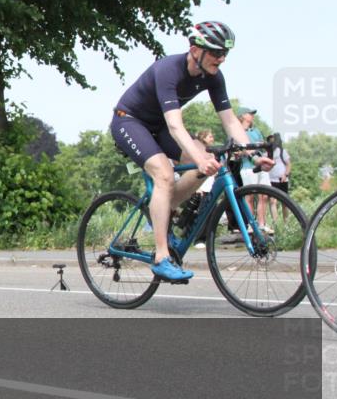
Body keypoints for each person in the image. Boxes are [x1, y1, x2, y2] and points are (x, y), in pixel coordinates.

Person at [110, 21, 273, 282]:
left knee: (207, 161)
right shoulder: (168, 70)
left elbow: (230, 121)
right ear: (195, 50)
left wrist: (252, 155)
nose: (222, 58)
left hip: (158, 126)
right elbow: (176, 126)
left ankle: (164, 210)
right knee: (165, 174)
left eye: (225, 53)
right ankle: (161, 257)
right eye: (216, 52)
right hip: (129, 121)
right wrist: (198, 157)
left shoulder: (214, 77)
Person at [267, 133, 291, 223]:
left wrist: (286, 175)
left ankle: (286, 223)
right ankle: (276, 223)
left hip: (282, 179)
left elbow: (288, 164)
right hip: (271, 180)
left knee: (285, 203)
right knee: (272, 201)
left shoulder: (282, 151)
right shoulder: (266, 153)